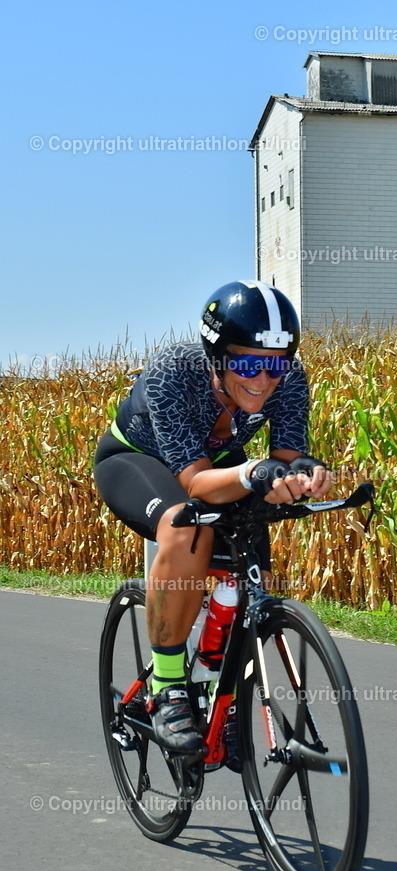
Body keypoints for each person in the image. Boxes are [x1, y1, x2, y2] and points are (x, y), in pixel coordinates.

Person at [93, 280, 331, 754]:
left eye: (276, 366)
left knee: (252, 554)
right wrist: (255, 471)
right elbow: (196, 482)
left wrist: (303, 473)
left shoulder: (289, 377)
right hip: (139, 460)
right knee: (186, 524)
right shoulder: (174, 372)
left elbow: (287, 454)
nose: (264, 380)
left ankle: (223, 687)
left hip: (217, 463)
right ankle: (169, 690)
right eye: (247, 364)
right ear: (218, 357)